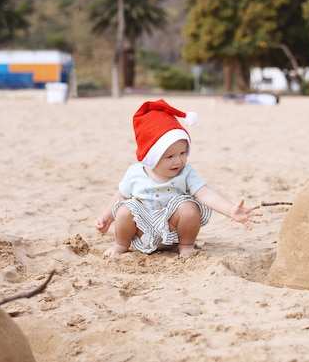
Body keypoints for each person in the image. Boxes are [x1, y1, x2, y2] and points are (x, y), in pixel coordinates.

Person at [94, 99, 262, 258]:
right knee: (124, 209)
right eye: (169, 156)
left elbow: (206, 193)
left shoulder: (186, 172)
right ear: (150, 157)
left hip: (173, 229)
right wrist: (107, 216)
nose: (178, 160)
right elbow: (121, 195)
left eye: (183, 153)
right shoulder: (135, 173)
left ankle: (186, 245)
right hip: (143, 231)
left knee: (189, 207)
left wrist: (230, 210)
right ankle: (120, 245)